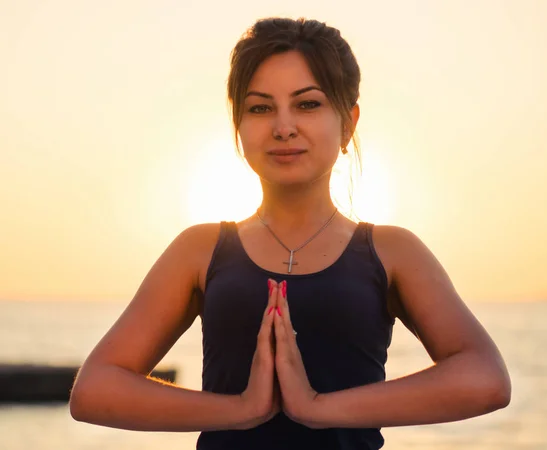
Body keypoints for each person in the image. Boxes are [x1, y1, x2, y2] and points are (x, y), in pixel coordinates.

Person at [69, 17, 511, 450]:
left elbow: (486, 379)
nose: (283, 127)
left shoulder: (392, 251)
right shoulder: (200, 250)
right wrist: (242, 409)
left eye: (308, 103)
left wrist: (317, 408)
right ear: (239, 127)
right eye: (260, 107)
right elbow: (95, 390)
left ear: (348, 122)